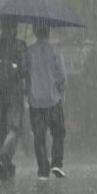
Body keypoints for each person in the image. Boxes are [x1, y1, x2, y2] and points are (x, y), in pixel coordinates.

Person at [0, 18, 28, 182]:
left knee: (1, 128)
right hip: (14, 93)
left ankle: (6, 165)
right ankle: (4, 158)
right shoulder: (20, 45)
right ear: (15, 29)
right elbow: (25, 70)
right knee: (14, 128)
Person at [27, 22, 67, 180]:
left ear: (35, 32)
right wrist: (60, 87)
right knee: (58, 132)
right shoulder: (55, 51)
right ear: (48, 33)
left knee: (39, 136)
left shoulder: (29, 51)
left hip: (35, 101)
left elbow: (25, 72)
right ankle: (56, 162)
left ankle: (43, 169)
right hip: (53, 99)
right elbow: (62, 75)